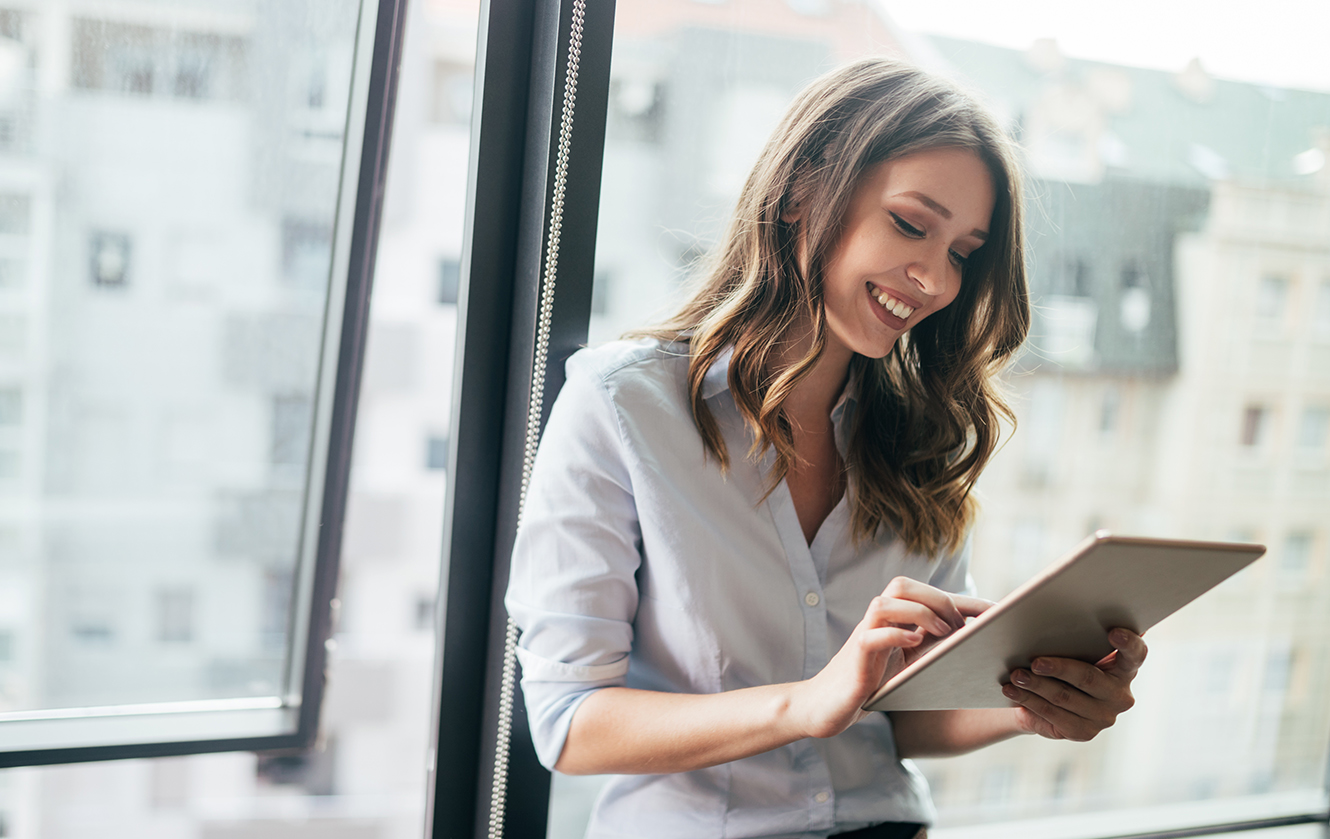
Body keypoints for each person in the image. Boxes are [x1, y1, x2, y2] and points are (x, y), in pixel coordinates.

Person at [506, 59, 1147, 839]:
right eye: (912, 224)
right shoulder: (621, 405)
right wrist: (807, 701)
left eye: (962, 251)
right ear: (805, 190)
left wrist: (1030, 706)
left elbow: (903, 721)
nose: (934, 278)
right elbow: (570, 724)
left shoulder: (922, 441)